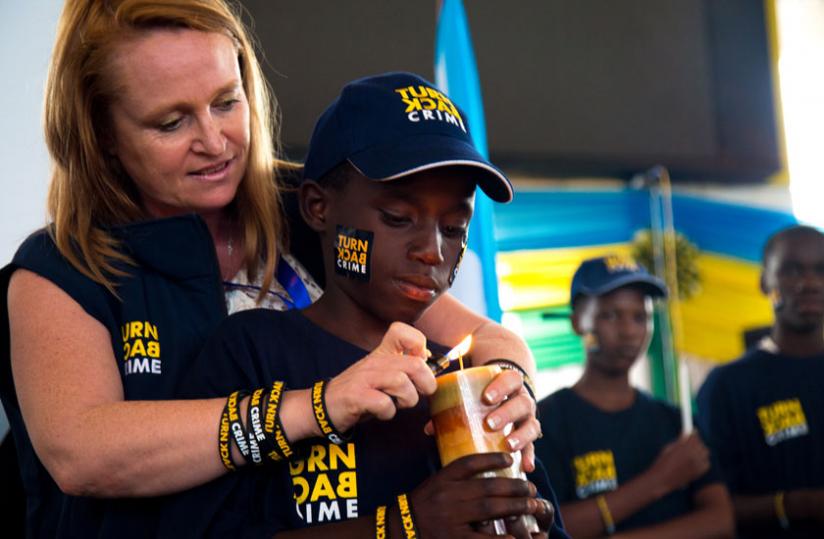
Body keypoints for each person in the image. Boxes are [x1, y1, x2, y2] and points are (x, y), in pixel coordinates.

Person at [0, 1, 540, 536]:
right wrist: (317, 408)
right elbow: (82, 455)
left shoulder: (311, 212)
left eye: (226, 103)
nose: (213, 142)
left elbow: (484, 338)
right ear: (103, 136)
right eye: (170, 122)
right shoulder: (61, 269)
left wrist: (510, 391)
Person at [159, 71, 564, 538]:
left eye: (453, 228)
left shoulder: (473, 385)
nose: (432, 250)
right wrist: (403, 525)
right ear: (318, 207)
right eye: (397, 218)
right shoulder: (252, 351)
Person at [534, 255, 734, 538]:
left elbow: (721, 521)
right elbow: (548, 526)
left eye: (641, 317)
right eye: (610, 315)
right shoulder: (543, 424)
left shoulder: (675, 421)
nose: (629, 331)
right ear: (579, 322)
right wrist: (660, 480)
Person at [696, 225, 824, 539]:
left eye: (821, 270)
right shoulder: (727, 385)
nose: (810, 283)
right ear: (765, 282)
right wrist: (800, 504)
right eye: (792, 270)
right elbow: (715, 508)